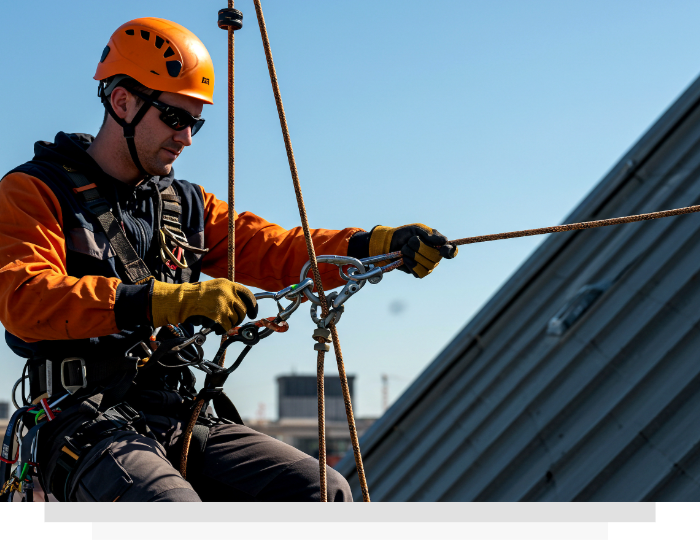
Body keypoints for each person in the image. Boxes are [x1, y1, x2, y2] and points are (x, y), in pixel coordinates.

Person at [0, 17, 458, 502]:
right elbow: (24, 298)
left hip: (174, 413)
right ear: (122, 102)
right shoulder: (35, 192)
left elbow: (276, 250)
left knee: (324, 492)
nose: (188, 138)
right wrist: (165, 301)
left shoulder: (183, 205)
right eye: (175, 118)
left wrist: (373, 245)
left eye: (196, 122)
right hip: (82, 418)